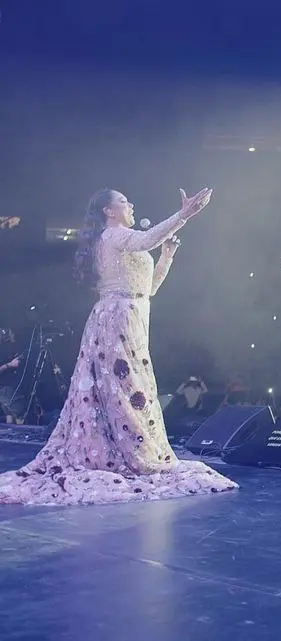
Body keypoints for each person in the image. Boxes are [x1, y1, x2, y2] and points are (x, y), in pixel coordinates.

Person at [0, 187, 237, 505]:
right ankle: (123, 453)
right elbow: (146, 240)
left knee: (131, 388)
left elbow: (148, 289)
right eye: (124, 201)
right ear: (109, 211)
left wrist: (166, 257)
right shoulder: (113, 236)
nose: (131, 204)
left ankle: (127, 450)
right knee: (124, 389)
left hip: (134, 317)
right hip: (116, 319)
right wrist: (184, 214)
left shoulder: (122, 239)